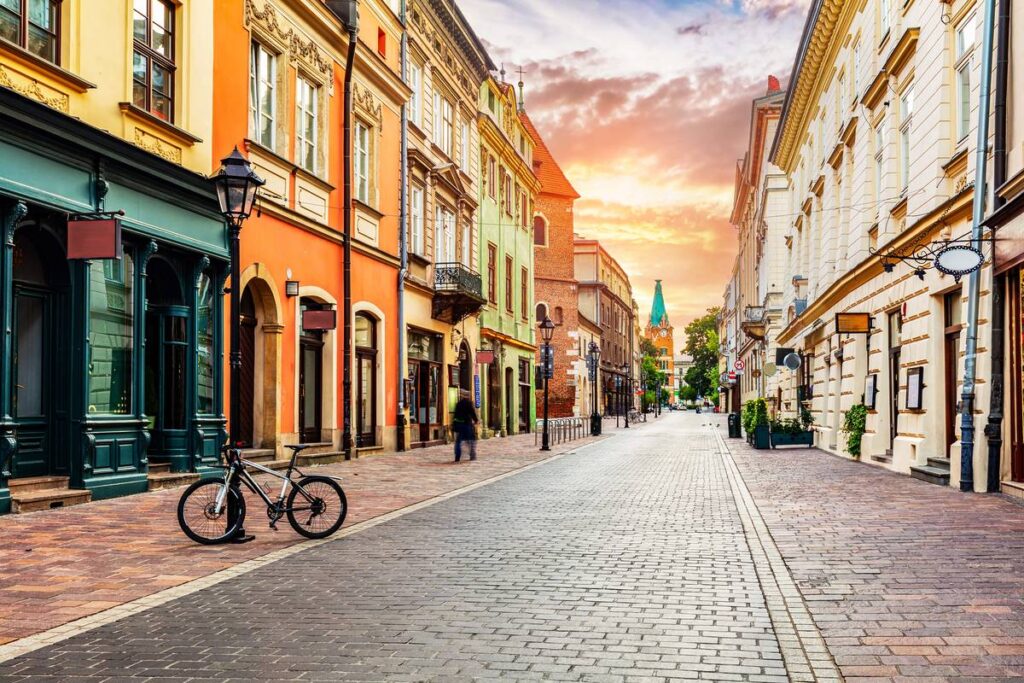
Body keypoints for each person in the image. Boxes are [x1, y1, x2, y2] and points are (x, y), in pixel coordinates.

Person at [453, 393, 479, 462]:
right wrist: (476, 420)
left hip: (458, 425)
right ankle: (472, 455)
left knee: (458, 441)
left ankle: (457, 456)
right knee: (472, 439)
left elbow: (455, 414)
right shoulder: (469, 403)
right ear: (468, 396)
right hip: (466, 424)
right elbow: (472, 412)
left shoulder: (458, 403)